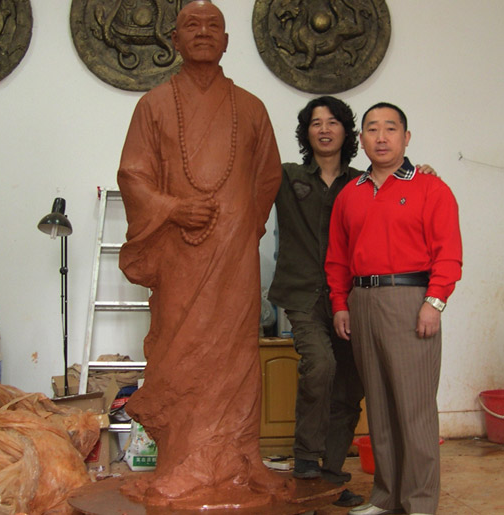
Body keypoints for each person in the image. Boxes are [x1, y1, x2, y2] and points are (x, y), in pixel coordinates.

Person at [117, 0, 294, 508]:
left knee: (236, 355)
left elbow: (268, 176)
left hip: (234, 258)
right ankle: (183, 462)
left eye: (213, 25)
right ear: (174, 40)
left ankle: (240, 459)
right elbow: (133, 175)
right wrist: (174, 209)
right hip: (180, 255)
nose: (202, 32)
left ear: (226, 41)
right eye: (191, 25)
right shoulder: (153, 105)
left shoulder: (251, 108)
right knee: (181, 353)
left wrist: (240, 227)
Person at [325, 102, 462, 515]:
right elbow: (337, 258)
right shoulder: (350, 194)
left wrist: (434, 302)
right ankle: (386, 497)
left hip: (410, 300)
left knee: (414, 409)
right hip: (362, 301)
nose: (381, 137)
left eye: (390, 128)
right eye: (372, 129)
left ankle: (419, 503)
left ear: (406, 137)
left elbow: (449, 253)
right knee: (380, 407)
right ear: (361, 139)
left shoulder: (431, 188)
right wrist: (340, 304)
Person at [268, 96, 365, 508]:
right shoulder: (286, 176)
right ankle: (307, 460)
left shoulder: (363, 183)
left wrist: (422, 173)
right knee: (320, 365)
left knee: (349, 387)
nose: (324, 129)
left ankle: (332, 476)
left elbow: (404, 198)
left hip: (352, 297)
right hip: (303, 293)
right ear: (306, 133)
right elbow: (242, 177)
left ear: (346, 131)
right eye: (315, 123)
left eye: (332, 122)